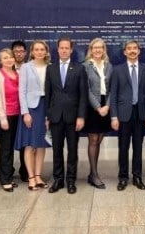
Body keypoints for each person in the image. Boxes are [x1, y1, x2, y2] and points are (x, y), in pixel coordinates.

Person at [46, 37, 88, 194]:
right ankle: (58, 180)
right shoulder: (51, 69)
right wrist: (47, 116)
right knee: (56, 150)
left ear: (71, 50)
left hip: (73, 117)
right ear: (57, 50)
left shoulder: (79, 69)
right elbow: (48, 94)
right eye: (61, 48)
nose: (64, 50)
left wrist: (81, 116)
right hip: (56, 117)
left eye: (67, 48)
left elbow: (83, 95)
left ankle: (71, 180)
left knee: (72, 150)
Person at [110, 39, 145, 191]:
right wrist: (114, 116)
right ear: (125, 52)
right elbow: (113, 95)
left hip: (140, 114)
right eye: (129, 48)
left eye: (135, 48)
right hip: (123, 115)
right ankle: (122, 178)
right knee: (123, 147)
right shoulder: (117, 70)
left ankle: (137, 177)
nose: (133, 51)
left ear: (139, 51)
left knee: (138, 147)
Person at [16, 40, 51, 191]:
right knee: (30, 145)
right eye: (36, 49)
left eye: (42, 49)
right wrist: (25, 113)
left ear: (46, 51)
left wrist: (50, 115)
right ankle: (30, 177)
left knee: (42, 144)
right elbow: (21, 91)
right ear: (32, 52)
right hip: (31, 109)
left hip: (46, 107)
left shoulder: (50, 67)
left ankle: (38, 176)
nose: (39, 52)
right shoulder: (25, 67)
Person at [83, 38, 112, 189]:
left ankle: (91, 173)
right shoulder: (86, 66)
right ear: (91, 49)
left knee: (99, 138)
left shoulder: (108, 65)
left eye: (100, 47)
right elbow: (86, 89)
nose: (98, 50)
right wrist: (98, 107)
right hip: (92, 106)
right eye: (95, 48)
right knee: (93, 139)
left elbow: (113, 87)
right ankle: (94, 175)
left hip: (106, 105)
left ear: (104, 49)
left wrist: (107, 105)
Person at [0, 48, 20, 192]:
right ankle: (6, 179)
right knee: (6, 147)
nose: (9, 60)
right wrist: (2, 118)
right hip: (4, 117)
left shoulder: (16, 74)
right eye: (5, 58)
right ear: (0, 61)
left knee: (9, 146)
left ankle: (2, 173)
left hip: (16, 115)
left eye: (11, 57)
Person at [11, 40, 29, 182]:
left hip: (26, 110)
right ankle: (6, 171)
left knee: (25, 142)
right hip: (10, 111)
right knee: (8, 143)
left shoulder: (29, 68)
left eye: (21, 51)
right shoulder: (6, 68)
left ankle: (25, 170)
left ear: (25, 53)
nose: (19, 53)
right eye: (16, 51)